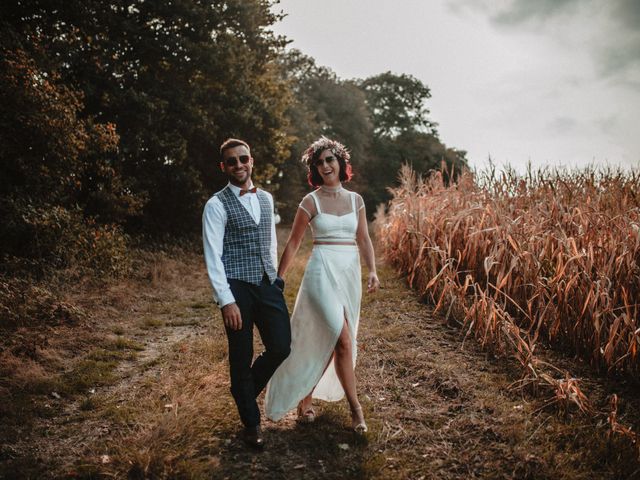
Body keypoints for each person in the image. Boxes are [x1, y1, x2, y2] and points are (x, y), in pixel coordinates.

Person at [265, 136, 380, 433]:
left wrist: (372, 271)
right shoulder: (310, 201)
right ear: (315, 169)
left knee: (335, 337)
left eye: (330, 159)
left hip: (349, 272)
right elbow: (293, 242)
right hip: (321, 271)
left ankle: (306, 399)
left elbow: (364, 238)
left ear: (341, 163)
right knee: (341, 337)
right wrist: (279, 278)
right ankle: (357, 411)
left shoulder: (356, 200)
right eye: (320, 162)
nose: (326, 165)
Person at [202, 138, 291, 449]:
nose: (238, 165)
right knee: (241, 355)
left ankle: (242, 393)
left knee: (281, 346)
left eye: (243, 159)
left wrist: (276, 278)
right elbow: (213, 255)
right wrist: (226, 300)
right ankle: (251, 424)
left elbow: (269, 240)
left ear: (251, 160)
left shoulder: (266, 198)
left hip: (267, 283)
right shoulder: (216, 205)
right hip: (236, 286)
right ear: (223, 166)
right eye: (231, 161)